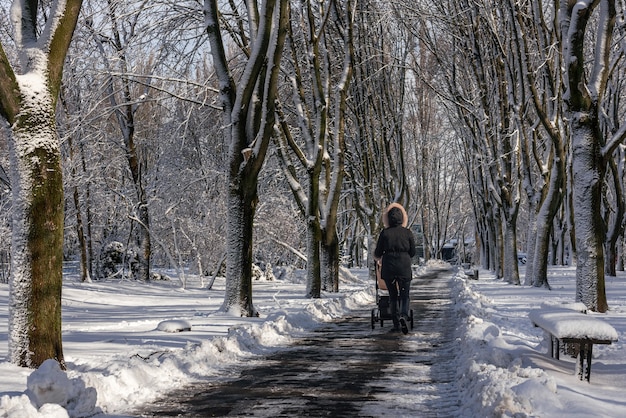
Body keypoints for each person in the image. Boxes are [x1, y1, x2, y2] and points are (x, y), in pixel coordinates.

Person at [374, 203, 416, 334]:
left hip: (389, 268)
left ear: (388, 219)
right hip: (404, 267)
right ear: (403, 218)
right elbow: (413, 252)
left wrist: (379, 258)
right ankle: (404, 315)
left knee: (393, 296)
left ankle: (396, 324)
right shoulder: (407, 233)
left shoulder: (385, 233)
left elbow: (378, 252)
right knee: (404, 295)